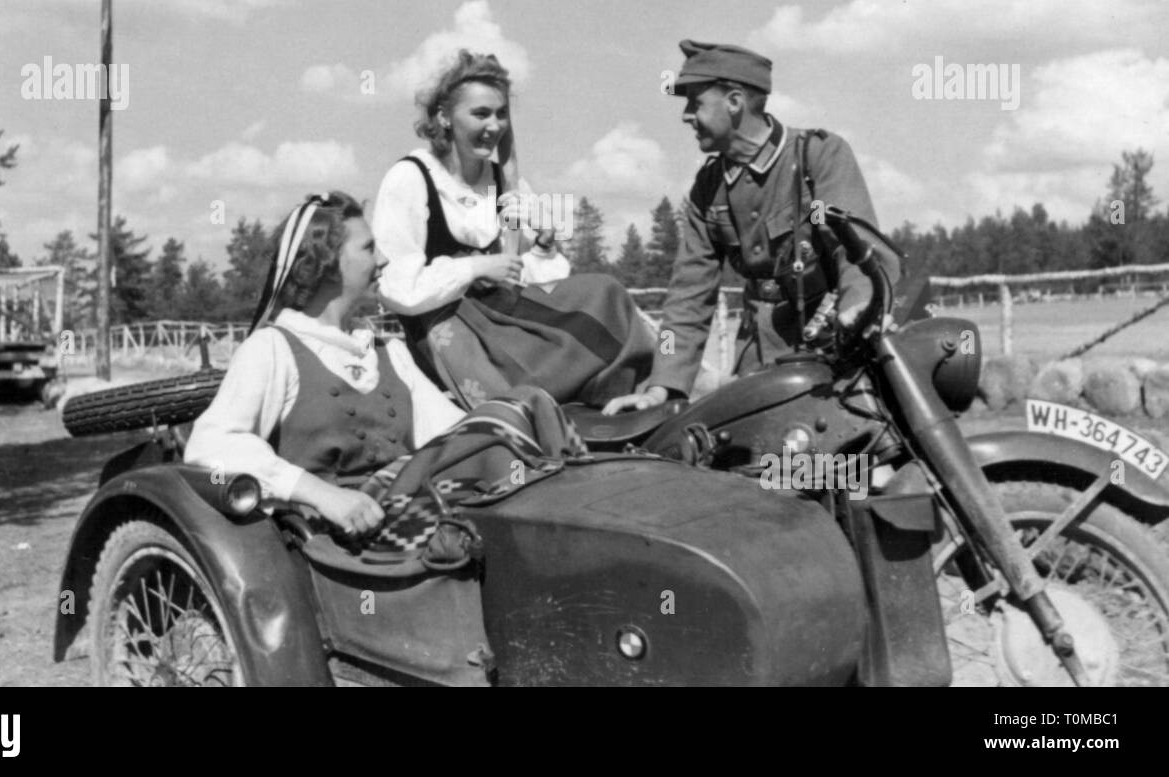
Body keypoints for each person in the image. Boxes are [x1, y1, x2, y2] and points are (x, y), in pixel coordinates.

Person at [184, 192, 581, 540]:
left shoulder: (387, 352)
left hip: (406, 517)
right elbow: (211, 445)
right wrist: (322, 495)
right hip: (329, 537)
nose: (384, 259)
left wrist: (511, 428)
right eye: (369, 248)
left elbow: (452, 435)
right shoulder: (272, 348)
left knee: (522, 409)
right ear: (324, 262)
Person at [604, 40, 902, 414]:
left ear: (734, 101)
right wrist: (663, 383)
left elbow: (855, 247)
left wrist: (858, 306)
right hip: (757, 358)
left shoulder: (817, 155)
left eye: (695, 102)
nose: (685, 116)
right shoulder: (707, 188)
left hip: (836, 348)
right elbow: (687, 294)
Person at [372, 50, 655, 409]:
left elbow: (526, 278)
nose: (494, 126)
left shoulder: (506, 184)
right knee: (515, 390)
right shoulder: (410, 178)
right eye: (480, 114)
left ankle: (621, 398)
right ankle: (538, 401)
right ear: (444, 117)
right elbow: (395, 288)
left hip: (506, 314)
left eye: (501, 113)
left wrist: (544, 246)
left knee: (606, 291)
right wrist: (475, 268)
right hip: (451, 327)